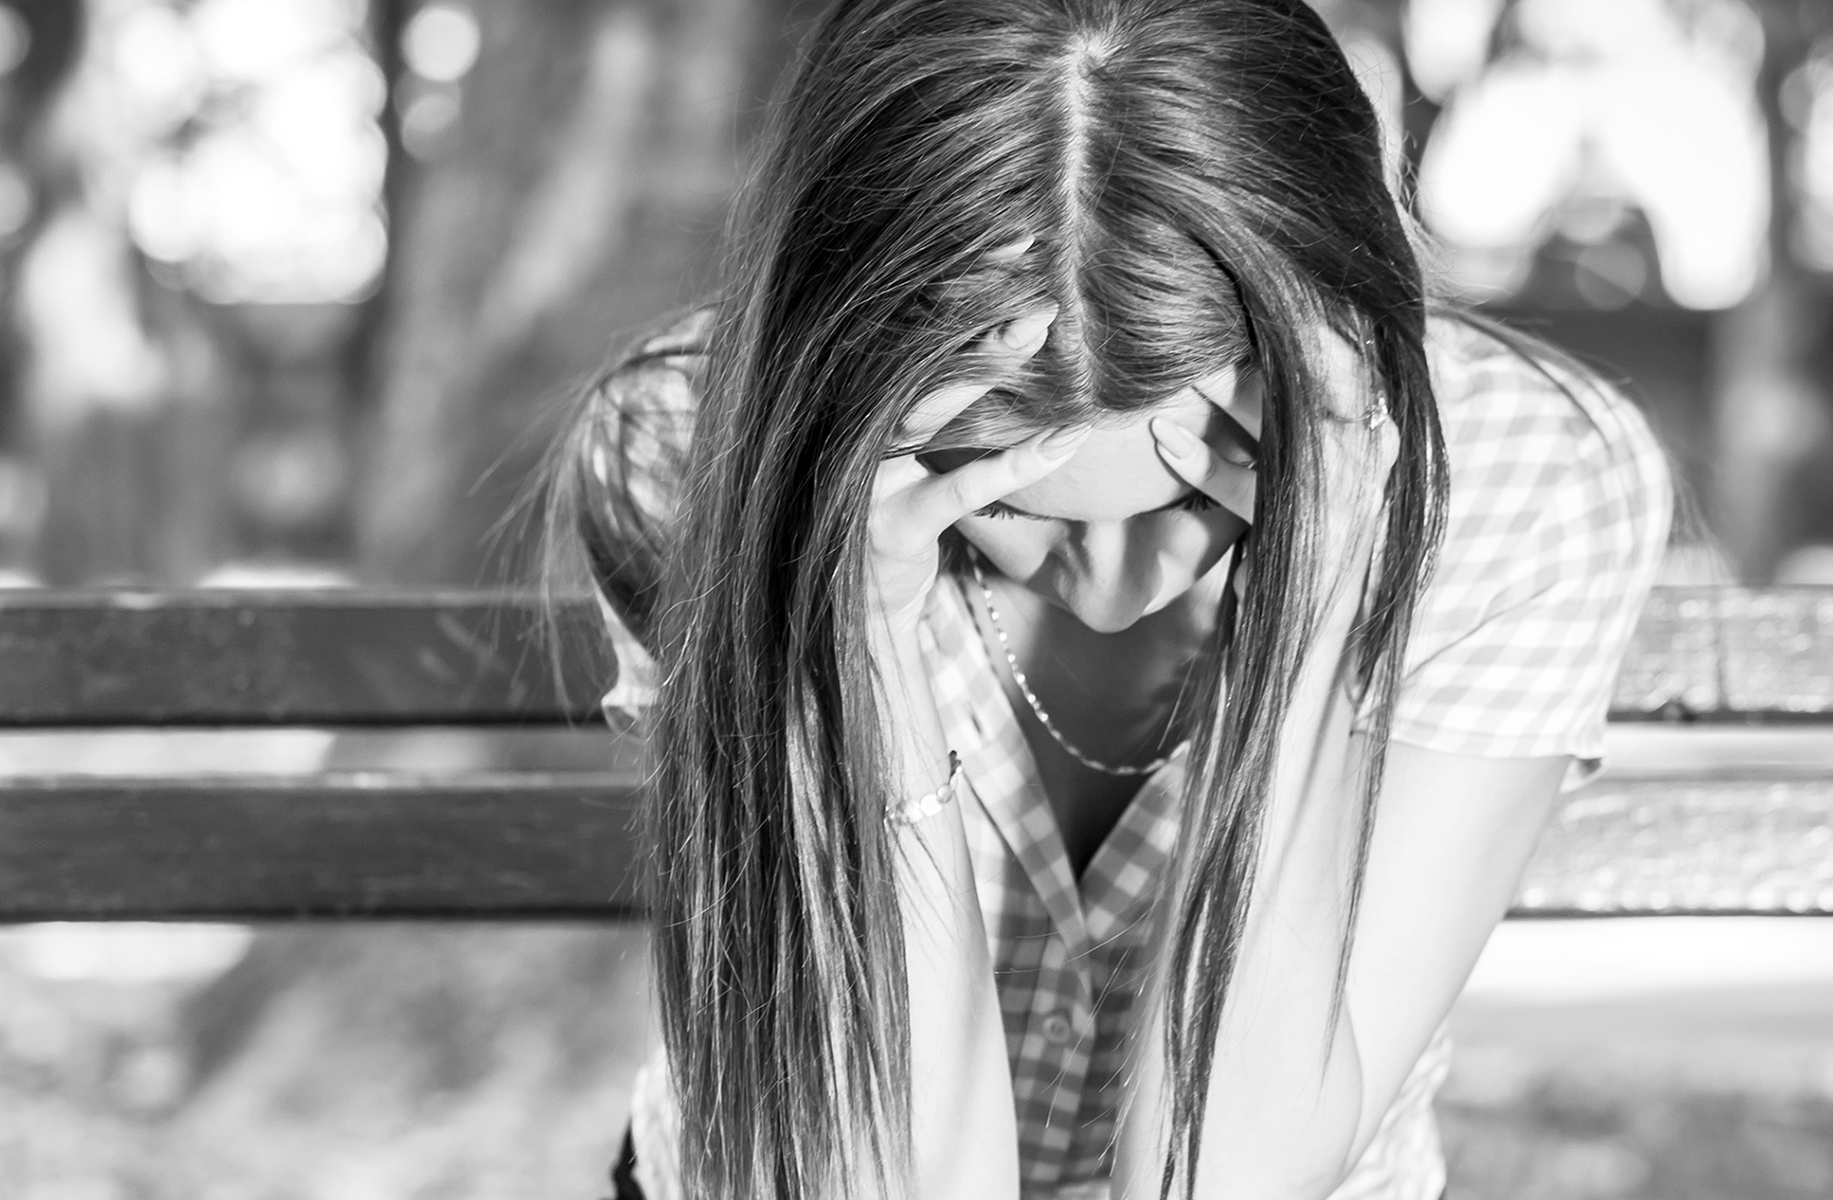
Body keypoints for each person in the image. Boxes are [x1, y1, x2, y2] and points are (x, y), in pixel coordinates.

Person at [548, 1, 1675, 1198]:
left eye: (1205, 500)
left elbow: (1225, 1181)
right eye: (1014, 511)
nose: (1123, 588)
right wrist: (859, 644)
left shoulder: (1522, 475)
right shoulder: (694, 455)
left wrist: (1308, 614)